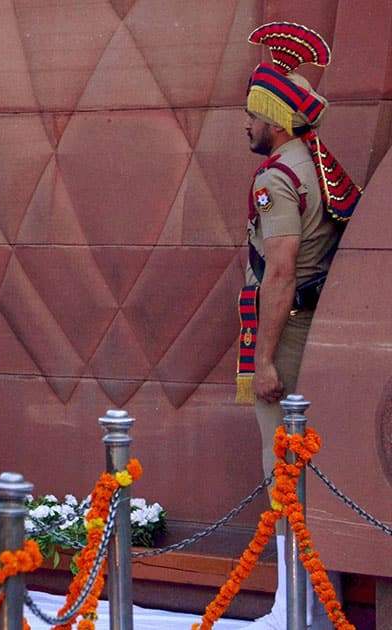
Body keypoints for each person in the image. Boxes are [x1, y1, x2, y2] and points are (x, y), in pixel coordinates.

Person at [236, 23, 361, 629]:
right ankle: (313, 602)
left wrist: (263, 360)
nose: (246, 125)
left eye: (252, 114)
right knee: (310, 466)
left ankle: (295, 609)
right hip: (316, 330)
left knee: (281, 467)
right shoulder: (318, 164)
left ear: (274, 119)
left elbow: (280, 270)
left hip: (289, 335)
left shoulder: (277, 177)